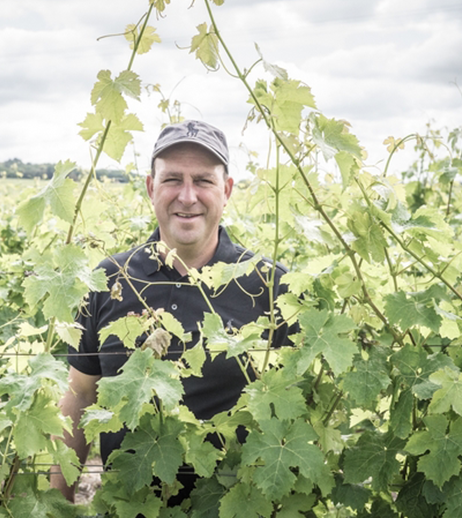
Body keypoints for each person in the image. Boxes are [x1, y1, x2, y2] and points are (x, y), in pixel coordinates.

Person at [50, 120, 297, 504]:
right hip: (129, 508)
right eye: (172, 180)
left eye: (203, 180)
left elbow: (295, 411)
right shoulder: (110, 280)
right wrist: (55, 507)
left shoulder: (270, 286)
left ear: (226, 191)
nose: (187, 196)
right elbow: (80, 395)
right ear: (151, 188)